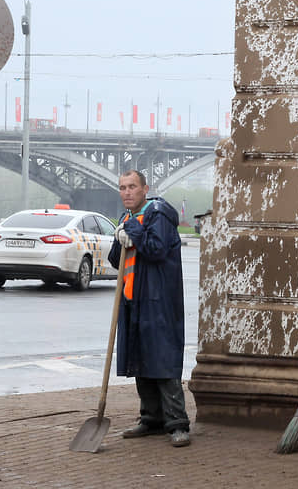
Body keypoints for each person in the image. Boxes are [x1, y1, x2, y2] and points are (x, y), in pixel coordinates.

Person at [108, 169, 190, 447]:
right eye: (122, 187)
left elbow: (155, 249)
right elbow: (115, 260)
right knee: (140, 359)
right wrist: (120, 239)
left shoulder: (158, 214)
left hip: (158, 300)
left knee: (163, 360)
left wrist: (132, 231)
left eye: (132, 186)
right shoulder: (127, 218)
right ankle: (151, 418)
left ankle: (177, 423)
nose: (127, 192)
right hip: (133, 299)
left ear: (145, 188)